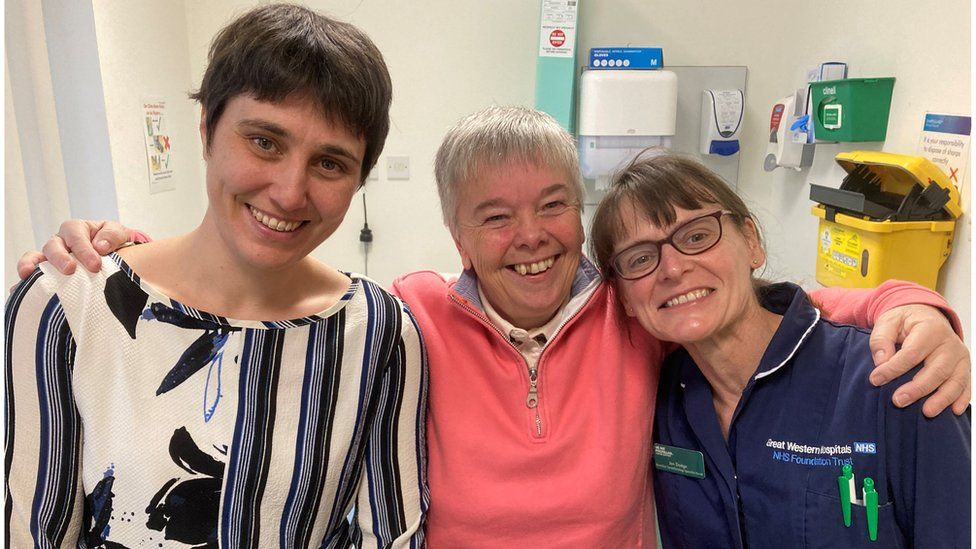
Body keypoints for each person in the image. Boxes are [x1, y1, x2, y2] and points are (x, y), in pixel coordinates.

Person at [21, 107, 970, 546]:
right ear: (455, 234)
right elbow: (270, 303)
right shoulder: (406, 316)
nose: (530, 239)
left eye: (552, 205)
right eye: (495, 216)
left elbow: (747, 305)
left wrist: (910, 304)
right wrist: (125, 258)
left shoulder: (630, 309)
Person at [5, 5, 426, 548]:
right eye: (264, 142)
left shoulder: (380, 332)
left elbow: (392, 534)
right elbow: (33, 533)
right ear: (206, 128)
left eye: (329, 163)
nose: (290, 192)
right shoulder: (67, 307)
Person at [589, 153, 970, 547]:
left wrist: (913, 303)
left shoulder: (895, 380)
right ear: (625, 299)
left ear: (752, 243)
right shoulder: (659, 399)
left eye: (697, 236)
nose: (671, 268)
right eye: (640, 258)